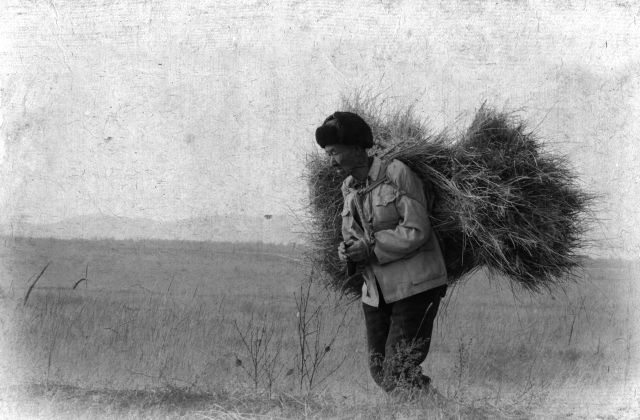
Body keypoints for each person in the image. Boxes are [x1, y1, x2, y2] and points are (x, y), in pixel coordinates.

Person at [315, 111, 448, 393]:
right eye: (328, 154)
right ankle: (432, 406)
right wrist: (347, 250)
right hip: (377, 291)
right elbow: (352, 235)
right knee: (380, 371)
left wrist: (370, 246)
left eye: (334, 153)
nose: (331, 161)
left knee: (397, 369)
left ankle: (429, 408)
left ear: (355, 148)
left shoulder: (395, 173)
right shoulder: (349, 188)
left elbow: (417, 229)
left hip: (416, 286)